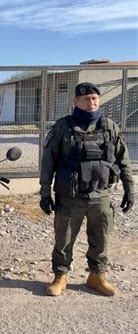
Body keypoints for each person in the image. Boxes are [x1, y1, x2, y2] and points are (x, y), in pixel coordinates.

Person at [39, 82, 135, 297]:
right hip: (70, 196)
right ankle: (60, 276)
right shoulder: (63, 127)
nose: (91, 102)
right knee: (64, 238)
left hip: (100, 194)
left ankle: (96, 276)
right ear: (76, 101)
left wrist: (130, 188)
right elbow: (48, 162)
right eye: (85, 99)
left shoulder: (109, 126)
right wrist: (45, 193)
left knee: (100, 237)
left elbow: (123, 159)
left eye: (94, 98)